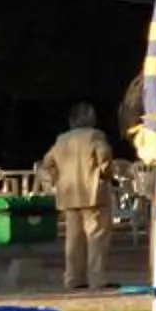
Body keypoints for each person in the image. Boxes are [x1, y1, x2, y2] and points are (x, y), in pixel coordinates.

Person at [37, 103, 118, 290]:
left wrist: (59, 179)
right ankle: (96, 278)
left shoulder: (61, 139)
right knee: (96, 237)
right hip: (93, 193)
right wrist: (104, 174)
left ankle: (73, 278)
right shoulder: (95, 135)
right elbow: (104, 155)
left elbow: (47, 161)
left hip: (69, 194)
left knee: (73, 239)